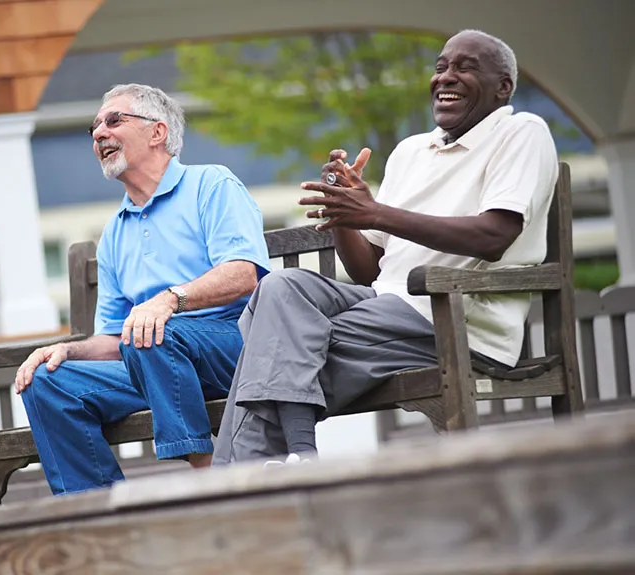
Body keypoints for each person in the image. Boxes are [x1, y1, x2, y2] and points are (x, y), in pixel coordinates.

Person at [212, 29, 559, 465]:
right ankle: (297, 457)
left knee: (274, 351)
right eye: (440, 67)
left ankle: (248, 478)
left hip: (450, 316)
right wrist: (343, 214)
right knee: (282, 289)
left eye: (465, 67)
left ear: (502, 87)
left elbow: (494, 237)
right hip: (386, 306)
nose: (446, 77)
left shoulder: (521, 131)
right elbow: (368, 272)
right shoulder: (411, 152)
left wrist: (374, 213)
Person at [15, 83, 271, 494]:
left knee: (154, 331)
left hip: (236, 345)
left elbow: (244, 273)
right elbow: (118, 337)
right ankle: (96, 512)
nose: (100, 133)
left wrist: (168, 301)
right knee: (46, 380)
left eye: (114, 120)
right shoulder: (115, 233)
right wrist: (68, 350)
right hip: (156, 361)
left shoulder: (211, 185)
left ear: (157, 132)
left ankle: (212, 477)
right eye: (95, 126)